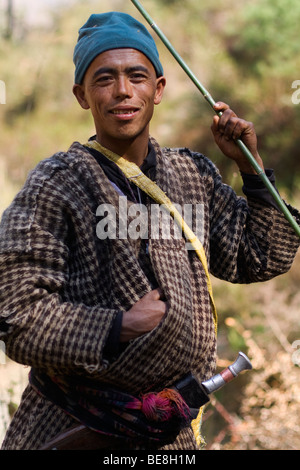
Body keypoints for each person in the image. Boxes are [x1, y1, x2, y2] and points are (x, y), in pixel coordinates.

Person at [0, 12, 299, 451]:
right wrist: (117, 325)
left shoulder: (191, 175)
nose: (123, 91)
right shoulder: (57, 185)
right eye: (105, 79)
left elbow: (262, 255)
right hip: (72, 427)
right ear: (82, 95)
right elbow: (15, 312)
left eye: (136, 76)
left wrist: (249, 168)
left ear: (158, 89)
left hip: (167, 432)